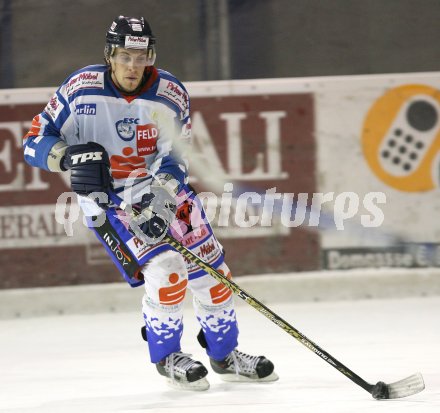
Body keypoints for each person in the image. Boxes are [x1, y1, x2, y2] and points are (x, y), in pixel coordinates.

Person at [23, 16, 278, 391]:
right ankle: (168, 356)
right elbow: (34, 141)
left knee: (213, 273)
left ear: (150, 56)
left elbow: (176, 158)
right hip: (106, 201)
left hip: (160, 191)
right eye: (124, 55)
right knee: (166, 268)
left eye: (140, 56)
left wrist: (160, 200)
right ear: (110, 55)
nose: (132, 65)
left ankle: (225, 356)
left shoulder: (170, 94)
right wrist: (66, 156)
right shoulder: (80, 88)